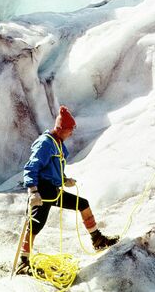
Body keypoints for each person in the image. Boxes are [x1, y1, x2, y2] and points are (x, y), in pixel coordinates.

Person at [15, 106, 118, 276]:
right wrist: (33, 190)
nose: (71, 134)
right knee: (35, 224)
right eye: (70, 130)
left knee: (82, 204)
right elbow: (31, 167)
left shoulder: (58, 144)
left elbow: (53, 168)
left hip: (53, 190)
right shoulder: (45, 143)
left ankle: (97, 239)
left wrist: (64, 180)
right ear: (61, 129)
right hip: (43, 191)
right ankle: (23, 263)